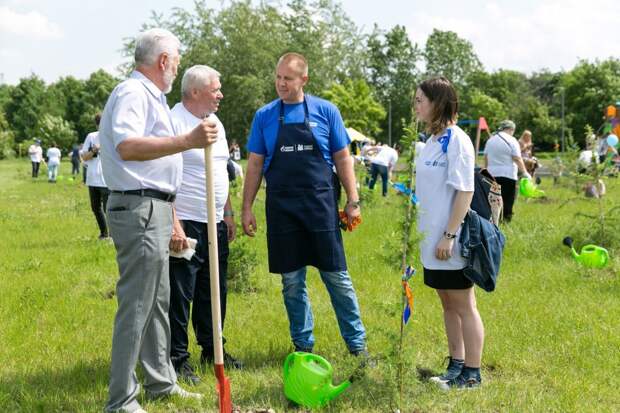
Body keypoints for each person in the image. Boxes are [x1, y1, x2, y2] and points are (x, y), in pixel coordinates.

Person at [99, 28, 219, 413]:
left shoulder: (152, 98)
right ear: (163, 61)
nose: (178, 65)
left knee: (157, 303)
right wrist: (187, 141)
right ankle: (121, 399)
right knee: (137, 304)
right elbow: (127, 145)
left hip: (155, 208)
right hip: (138, 208)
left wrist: (171, 216)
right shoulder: (132, 93)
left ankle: (160, 383)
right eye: (177, 59)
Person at [242, 53, 368, 358]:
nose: (281, 83)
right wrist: (246, 208)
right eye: (278, 77)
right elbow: (255, 165)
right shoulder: (265, 116)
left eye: (288, 78)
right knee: (291, 282)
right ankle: (302, 347)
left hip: (320, 206)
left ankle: (358, 347)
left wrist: (353, 201)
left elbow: (342, 158)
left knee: (337, 277)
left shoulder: (326, 111)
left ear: (304, 80)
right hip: (282, 208)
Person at [167, 65, 243, 386]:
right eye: (216, 89)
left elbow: (221, 169)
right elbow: (162, 176)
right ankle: (176, 359)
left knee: (214, 290)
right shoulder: (173, 122)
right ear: (196, 91)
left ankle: (213, 350)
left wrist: (228, 212)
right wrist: (173, 223)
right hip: (185, 221)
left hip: (214, 222)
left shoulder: (215, 122)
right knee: (180, 293)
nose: (221, 94)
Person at [414, 76, 483, 389]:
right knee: (446, 303)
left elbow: (464, 191)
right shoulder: (431, 140)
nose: (415, 105)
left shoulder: (457, 140)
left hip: (450, 239)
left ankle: (472, 373)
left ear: (438, 103)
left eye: (420, 100)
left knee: (464, 304)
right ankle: (456, 364)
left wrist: (449, 235)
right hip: (430, 239)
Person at [483, 120, 530, 222]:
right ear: (511, 129)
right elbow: (517, 158)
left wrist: (486, 172)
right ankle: (505, 221)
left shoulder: (490, 140)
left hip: (492, 175)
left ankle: (493, 220)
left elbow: (486, 157)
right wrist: (525, 172)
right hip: (508, 174)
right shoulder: (512, 140)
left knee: (493, 199)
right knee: (507, 199)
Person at [80, 113, 110, 240]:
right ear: (97, 125)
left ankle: (114, 236)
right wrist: (94, 151)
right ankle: (104, 234)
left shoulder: (112, 137)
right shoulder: (91, 137)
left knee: (109, 209)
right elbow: (84, 157)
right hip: (93, 179)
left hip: (108, 180)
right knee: (95, 208)